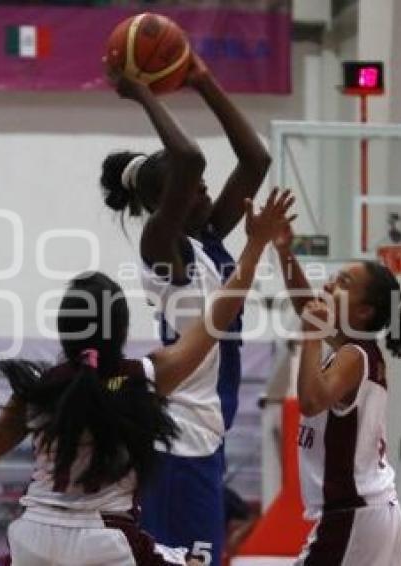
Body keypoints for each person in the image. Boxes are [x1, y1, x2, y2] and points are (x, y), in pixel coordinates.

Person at [0, 192, 290, 565]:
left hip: (33, 537)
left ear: (64, 330)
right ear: (122, 329)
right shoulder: (143, 377)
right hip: (103, 540)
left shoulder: (38, 390)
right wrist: (254, 245)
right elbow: (218, 316)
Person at [99, 54, 272, 565]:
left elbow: (255, 161)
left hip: (203, 435)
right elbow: (190, 157)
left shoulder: (207, 239)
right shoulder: (160, 249)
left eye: (200, 185)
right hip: (180, 440)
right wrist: (142, 93)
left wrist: (204, 80)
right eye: (190, 187)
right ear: (165, 199)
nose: (203, 187)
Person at [273, 209, 401, 566]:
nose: (329, 285)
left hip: (356, 514)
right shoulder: (355, 349)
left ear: (363, 312)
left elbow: (312, 401)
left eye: (343, 283)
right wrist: (284, 251)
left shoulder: (354, 356)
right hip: (366, 513)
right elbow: (305, 304)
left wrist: (312, 334)